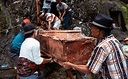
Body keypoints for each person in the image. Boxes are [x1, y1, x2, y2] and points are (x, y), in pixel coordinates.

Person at [61, 14, 128, 79]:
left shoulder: (102, 47)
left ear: (100, 31)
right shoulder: (114, 40)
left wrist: (71, 65)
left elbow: (89, 70)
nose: (91, 29)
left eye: (93, 28)